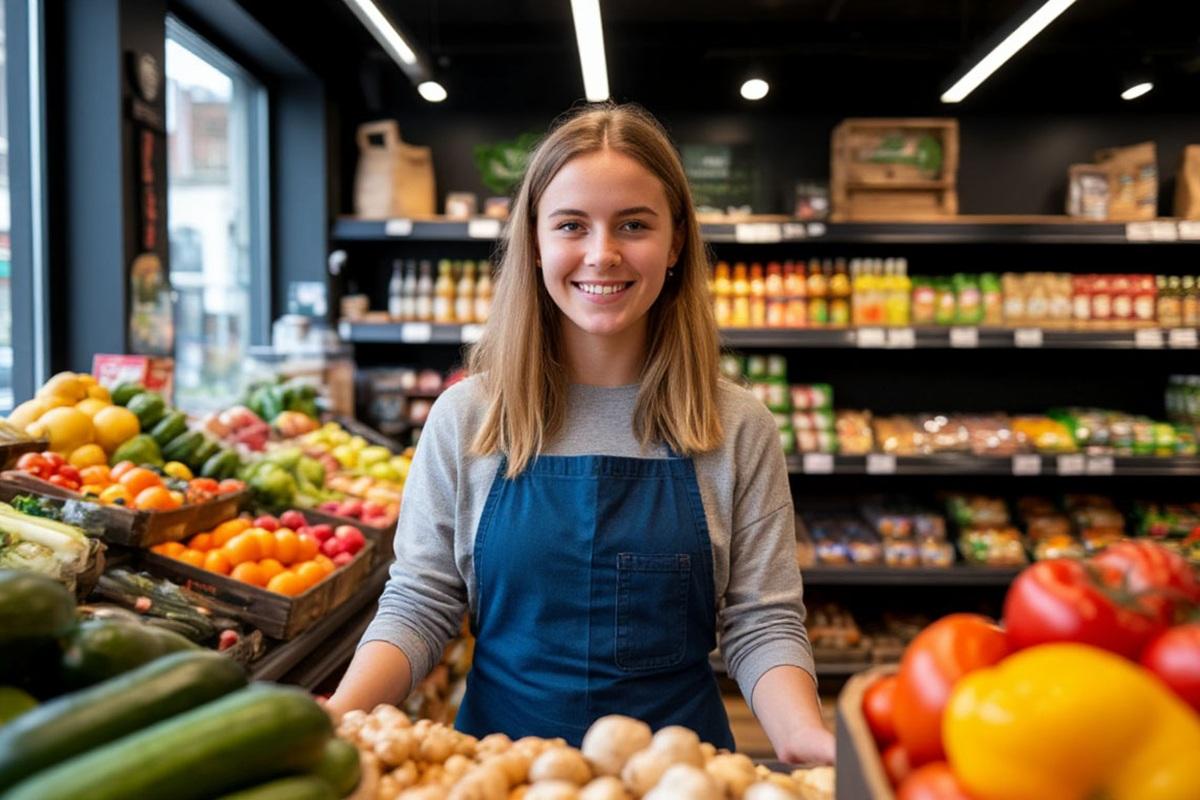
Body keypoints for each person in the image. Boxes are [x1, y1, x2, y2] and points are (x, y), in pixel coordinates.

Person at [326, 103, 834, 765]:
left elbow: (760, 620)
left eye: (634, 225)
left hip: (681, 776)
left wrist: (803, 738)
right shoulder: (467, 418)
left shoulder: (737, 426)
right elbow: (423, 600)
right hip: (498, 770)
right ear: (534, 241)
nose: (603, 253)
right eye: (572, 225)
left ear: (676, 241)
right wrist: (342, 712)